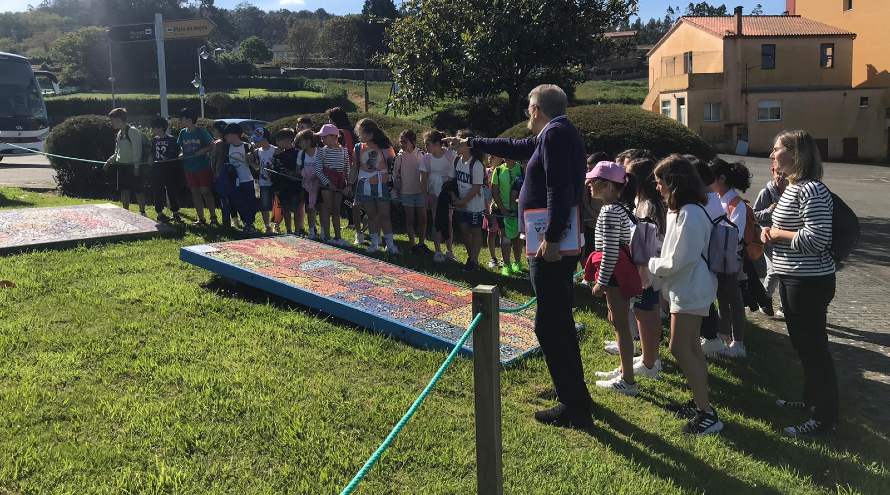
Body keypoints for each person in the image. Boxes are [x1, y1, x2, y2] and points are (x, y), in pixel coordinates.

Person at [446, 84, 592, 428]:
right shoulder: (555, 133)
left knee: (550, 324)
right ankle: (574, 394)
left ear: (536, 109)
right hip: (550, 237)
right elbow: (516, 147)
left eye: (529, 107)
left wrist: (553, 238)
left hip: (550, 243)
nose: (527, 112)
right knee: (558, 321)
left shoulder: (555, 135)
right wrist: (474, 142)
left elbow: (560, 188)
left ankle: (574, 406)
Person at [762, 130, 837, 437]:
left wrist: (777, 234)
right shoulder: (792, 188)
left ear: (796, 154)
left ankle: (823, 417)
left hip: (809, 280)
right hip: (793, 277)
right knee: (803, 346)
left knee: (814, 348)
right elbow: (776, 218)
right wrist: (763, 225)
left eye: (777, 149)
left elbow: (817, 239)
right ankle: (811, 401)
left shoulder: (812, 190)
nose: (771, 155)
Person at [648, 154, 722, 435]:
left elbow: (677, 260)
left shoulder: (690, 214)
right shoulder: (684, 211)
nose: (658, 188)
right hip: (688, 287)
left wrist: (650, 264)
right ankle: (700, 402)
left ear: (673, 182)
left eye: (660, 182)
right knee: (691, 348)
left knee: (679, 347)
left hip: (691, 288)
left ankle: (707, 413)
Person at [585, 161, 641, 395]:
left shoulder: (609, 212)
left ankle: (628, 380)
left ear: (608, 186)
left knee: (621, 327)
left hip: (614, 275)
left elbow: (609, 251)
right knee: (618, 322)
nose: (589, 184)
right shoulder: (618, 208)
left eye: (594, 181)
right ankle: (623, 368)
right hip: (618, 272)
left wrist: (601, 282)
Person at [626, 157, 667, 379]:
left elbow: (644, 240)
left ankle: (649, 361)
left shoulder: (647, 205)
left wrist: (639, 268)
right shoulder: (648, 202)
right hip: (652, 265)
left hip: (647, 267)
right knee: (649, 310)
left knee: (644, 312)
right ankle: (651, 357)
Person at [708, 158, 752, 359]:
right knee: (721, 299)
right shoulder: (719, 199)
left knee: (733, 300)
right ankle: (724, 337)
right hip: (719, 256)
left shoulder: (736, 203)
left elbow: (737, 235)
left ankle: (739, 343)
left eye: (712, 179)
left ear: (722, 179)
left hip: (731, 259)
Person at [690, 155, 732, 358]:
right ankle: (711, 339)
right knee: (707, 302)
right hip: (711, 261)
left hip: (706, 261)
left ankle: (711, 340)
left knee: (705, 304)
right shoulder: (712, 199)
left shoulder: (704, 202)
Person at [354, 119, 398, 254]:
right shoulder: (357, 147)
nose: (359, 135)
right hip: (364, 185)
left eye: (362, 133)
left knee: (385, 215)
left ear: (371, 133)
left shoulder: (385, 147)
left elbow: (393, 166)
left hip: (381, 185)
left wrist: (393, 185)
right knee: (371, 215)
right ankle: (374, 243)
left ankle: (390, 245)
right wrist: (350, 184)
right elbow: (354, 166)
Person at [753, 161, 788, 318]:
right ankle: (764, 299)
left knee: (786, 273)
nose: (781, 177)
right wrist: (769, 210)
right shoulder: (766, 193)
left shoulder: (791, 193)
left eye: (784, 174)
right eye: (778, 173)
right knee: (774, 270)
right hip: (769, 238)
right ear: (772, 172)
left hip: (786, 239)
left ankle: (784, 306)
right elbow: (754, 215)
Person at [211, 123, 258, 233]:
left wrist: (250, 160)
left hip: (248, 179)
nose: (225, 138)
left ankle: (250, 223)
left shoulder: (247, 146)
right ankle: (245, 222)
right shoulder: (227, 148)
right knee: (239, 203)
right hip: (234, 181)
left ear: (234, 135)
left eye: (227, 135)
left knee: (250, 202)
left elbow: (255, 166)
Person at [451, 129, 486, 271]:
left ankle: (473, 260)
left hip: (474, 205)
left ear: (468, 145)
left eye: (460, 141)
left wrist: (462, 201)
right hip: (460, 203)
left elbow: (476, 188)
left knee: (476, 231)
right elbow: (453, 180)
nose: (456, 144)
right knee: (464, 231)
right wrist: (455, 198)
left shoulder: (476, 164)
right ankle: (472, 257)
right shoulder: (457, 160)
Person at [104, 107, 149, 215]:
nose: (112, 123)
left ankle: (142, 212)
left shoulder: (133, 131)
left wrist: (136, 167)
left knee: (138, 190)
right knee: (124, 190)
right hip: (122, 166)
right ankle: (125, 212)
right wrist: (109, 161)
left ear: (119, 119)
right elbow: (117, 152)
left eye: (113, 120)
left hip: (133, 166)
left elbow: (137, 150)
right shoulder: (119, 134)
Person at [177, 108, 217, 226]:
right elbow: (180, 147)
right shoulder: (182, 132)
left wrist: (202, 151)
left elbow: (212, 145)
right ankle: (201, 219)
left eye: (182, 119)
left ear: (189, 120)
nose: (180, 121)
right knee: (194, 192)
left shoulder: (201, 131)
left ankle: (213, 217)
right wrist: (180, 154)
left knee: (205, 191)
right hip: (189, 168)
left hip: (203, 167)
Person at [422, 130, 456, 263]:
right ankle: (437, 251)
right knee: (436, 221)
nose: (426, 147)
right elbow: (423, 179)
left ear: (437, 143)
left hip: (447, 193)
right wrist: (425, 196)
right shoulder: (426, 158)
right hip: (433, 193)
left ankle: (449, 250)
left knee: (448, 220)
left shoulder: (450, 155)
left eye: (428, 144)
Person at [394, 130, 429, 253]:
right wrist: (397, 189)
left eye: (405, 141)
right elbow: (395, 175)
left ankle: (421, 243)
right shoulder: (399, 156)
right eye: (401, 142)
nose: (402, 144)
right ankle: (413, 244)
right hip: (406, 192)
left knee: (422, 219)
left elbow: (426, 173)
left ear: (413, 142)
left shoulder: (421, 154)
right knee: (410, 219)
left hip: (420, 192)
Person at [490, 156, 525, 276]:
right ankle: (506, 264)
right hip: (502, 209)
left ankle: (517, 262)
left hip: (518, 210)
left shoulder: (521, 169)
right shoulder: (498, 170)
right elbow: (494, 191)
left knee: (518, 239)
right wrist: (503, 209)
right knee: (505, 238)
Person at [315, 123, 349, 246]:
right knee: (327, 209)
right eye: (321, 137)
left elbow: (347, 168)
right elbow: (318, 170)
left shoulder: (344, 150)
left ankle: (338, 237)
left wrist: (348, 184)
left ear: (334, 136)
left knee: (336, 210)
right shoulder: (321, 151)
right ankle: (326, 236)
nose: (322, 139)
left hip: (339, 184)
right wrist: (328, 184)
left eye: (324, 136)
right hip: (326, 185)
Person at [149, 116, 183, 223]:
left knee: (172, 190)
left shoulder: (172, 140)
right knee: (157, 191)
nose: (152, 130)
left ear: (160, 127)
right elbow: (152, 153)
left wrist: (177, 156)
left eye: (154, 128)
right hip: (157, 170)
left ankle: (175, 212)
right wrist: (150, 160)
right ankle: (159, 213)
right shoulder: (154, 140)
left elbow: (178, 151)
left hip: (169, 170)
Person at [271, 127, 303, 235]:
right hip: (283, 187)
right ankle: (289, 230)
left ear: (287, 140)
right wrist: (276, 188)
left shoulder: (299, 154)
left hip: (296, 186)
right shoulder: (278, 156)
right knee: (286, 209)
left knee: (297, 209)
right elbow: (275, 174)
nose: (276, 143)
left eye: (278, 140)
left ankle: (298, 230)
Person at [251, 127, 278, 234]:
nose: (255, 142)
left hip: (275, 182)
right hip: (263, 182)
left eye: (258, 140)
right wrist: (250, 162)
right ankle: (267, 225)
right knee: (264, 204)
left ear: (265, 139)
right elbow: (257, 167)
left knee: (277, 204)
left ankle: (277, 224)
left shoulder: (275, 150)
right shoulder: (258, 152)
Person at [296, 129, 320, 239]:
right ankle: (311, 231)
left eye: (301, 141)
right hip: (306, 186)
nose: (300, 144)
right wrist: (304, 174)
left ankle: (324, 232)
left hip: (320, 185)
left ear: (309, 141)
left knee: (321, 208)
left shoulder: (320, 152)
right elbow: (298, 169)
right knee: (309, 208)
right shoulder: (301, 154)